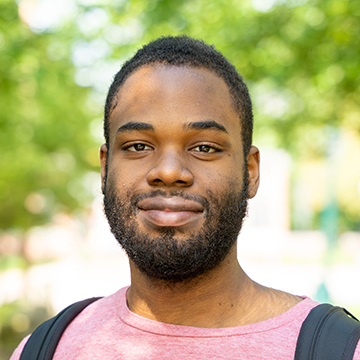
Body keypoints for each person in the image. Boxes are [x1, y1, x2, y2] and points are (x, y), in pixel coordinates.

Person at [10, 35, 360, 359]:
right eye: (138, 146)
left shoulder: (339, 349)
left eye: (205, 147)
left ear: (250, 171)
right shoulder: (45, 348)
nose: (169, 171)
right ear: (104, 170)